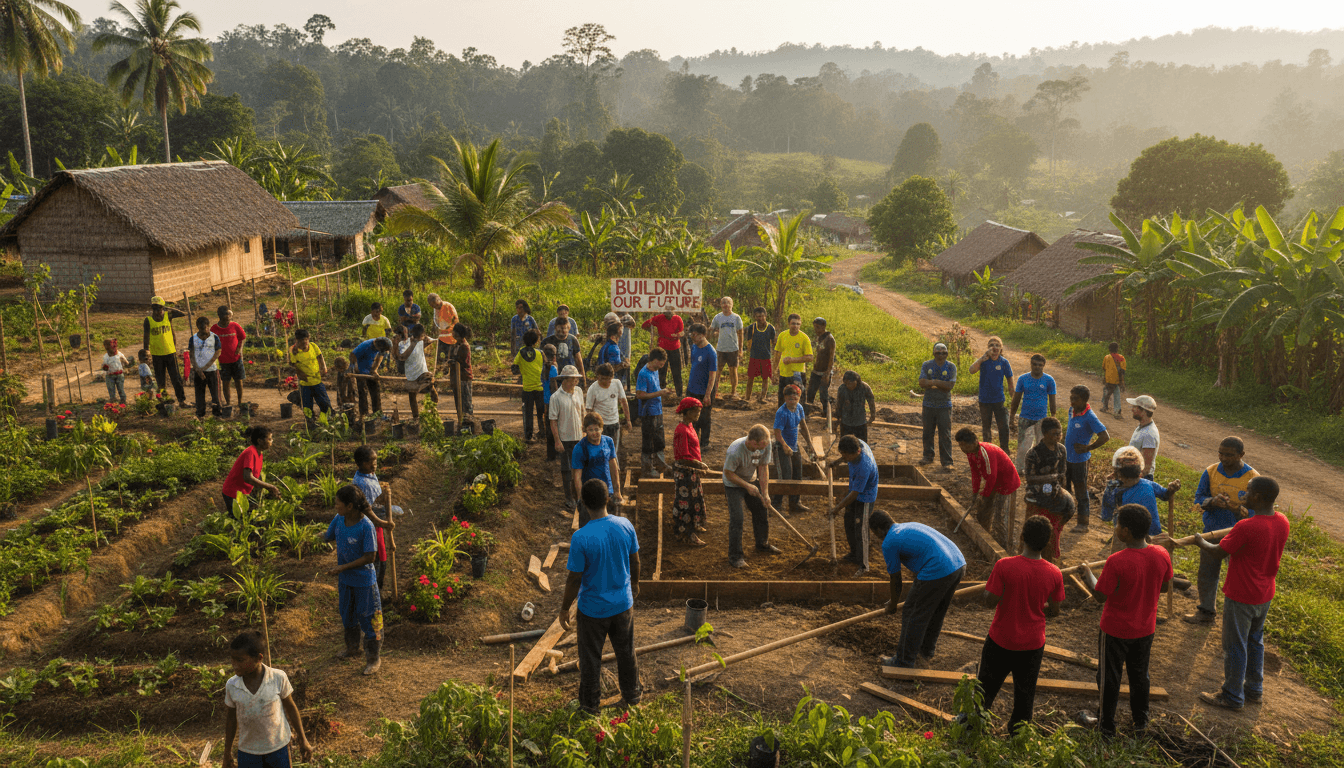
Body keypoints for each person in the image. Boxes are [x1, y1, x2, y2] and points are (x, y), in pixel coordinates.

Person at [1189, 476, 1287, 710]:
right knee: (1255, 642)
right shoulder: (1282, 521)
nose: (1244, 494)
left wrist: (1199, 540)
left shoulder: (1247, 526)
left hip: (1241, 593)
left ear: (1259, 497)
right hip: (1264, 593)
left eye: (1249, 491)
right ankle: (1254, 689)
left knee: (1235, 645)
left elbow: (1216, 552)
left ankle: (1232, 695)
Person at [1079, 504, 1172, 737]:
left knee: (1109, 677)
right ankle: (1141, 721)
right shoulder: (1161, 554)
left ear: (1127, 531)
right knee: (1140, 675)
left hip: (1115, 629)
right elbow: (1163, 587)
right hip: (1145, 628)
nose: (1116, 528)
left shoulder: (1117, 561)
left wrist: (1087, 573)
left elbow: (1100, 596)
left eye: (1118, 524)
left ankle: (1106, 724)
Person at [559, 479, 642, 716]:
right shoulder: (625, 525)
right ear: (608, 499)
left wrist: (565, 608)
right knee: (626, 652)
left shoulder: (581, 537)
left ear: (583, 504)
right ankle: (632, 696)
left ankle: (590, 706)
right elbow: (635, 561)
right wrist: (634, 585)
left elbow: (574, 579)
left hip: (592, 611)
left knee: (590, 659)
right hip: (622, 605)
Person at [975, 515, 1065, 735]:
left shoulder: (1004, 566)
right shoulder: (1054, 573)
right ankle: (1018, 736)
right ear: (1047, 543)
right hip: (1032, 645)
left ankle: (973, 727)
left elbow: (989, 602)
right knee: (1025, 695)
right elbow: (1054, 611)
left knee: (984, 690)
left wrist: (996, 590)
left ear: (1022, 537)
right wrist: (1033, 606)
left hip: (1001, 640)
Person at [872, 510, 967, 668]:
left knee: (912, 612)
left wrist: (893, 604)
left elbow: (896, 579)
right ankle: (925, 652)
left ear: (878, 530)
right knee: (935, 610)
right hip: (958, 564)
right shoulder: (908, 526)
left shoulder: (889, 541)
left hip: (939, 568)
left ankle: (903, 660)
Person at [1184, 437, 1259, 625]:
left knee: (1238, 577)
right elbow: (1198, 499)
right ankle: (1206, 611)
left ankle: (1239, 617)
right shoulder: (1211, 472)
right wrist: (1211, 502)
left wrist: (1234, 509)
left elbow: (1256, 513)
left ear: (1241, 455)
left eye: (1229, 455)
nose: (1224, 458)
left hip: (1239, 536)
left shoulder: (1253, 478)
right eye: (1221, 453)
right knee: (1208, 573)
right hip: (1212, 532)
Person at [222, 630, 312, 768]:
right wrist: (227, 753)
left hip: (278, 748)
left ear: (259, 658)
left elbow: (291, 707)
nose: (234, 664)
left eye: (240, 660)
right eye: (232, 658)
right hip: (248, 752)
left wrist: (303, 739)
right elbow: (231, 719)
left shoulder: (277, 678)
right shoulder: (232, 685)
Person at [323, 485, 383, 675]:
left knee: (369, 617)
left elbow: (370, 557)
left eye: (338, 503)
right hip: (346, 580)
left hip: (364, 580)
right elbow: (327, 536)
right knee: (347, 614)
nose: (335, 506)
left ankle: (374, 658)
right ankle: (352, 648)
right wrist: (306, 539)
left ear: (350, 506)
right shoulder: (339, 519)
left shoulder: (366, 526)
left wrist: (342, 567)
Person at [722, 425, 782, 568]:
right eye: (762, 445)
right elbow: (728, 473)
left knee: (762, 509)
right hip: (733, 484)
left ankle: (762, 544)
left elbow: (763, 467)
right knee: (737, 518)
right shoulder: (735, 451)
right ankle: (735, 556)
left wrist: (765, 492)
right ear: (753, 443)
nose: (765, 447)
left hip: (751, 479)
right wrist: (747, 486)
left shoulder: (765, 445)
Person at [1099, 446, 1180, 550]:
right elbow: (1107, 517)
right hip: (1132, 539)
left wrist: (1171, 489)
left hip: (1145, 538)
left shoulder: (1115, 489)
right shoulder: (1117, 489)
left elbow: (1165, 495)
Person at [955, 428, 1021, 549]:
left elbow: (992, 478)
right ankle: (985, 536)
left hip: (1007, 483)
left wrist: (985, 495)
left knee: (1000, 515)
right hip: (995, 483)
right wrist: (975, 493)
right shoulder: (970, 453)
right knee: (984, 509)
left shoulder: (986, 453)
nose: (962, 448)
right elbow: (975, 474)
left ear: (974, 442)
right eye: (960, 445)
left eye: (964, 445)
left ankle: (1004, 545)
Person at [1022, 417, 1074, 562]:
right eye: (1054, 433)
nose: (1058, 436)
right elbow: (1030, 478)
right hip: (1036, 494)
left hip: (1054, 493)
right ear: (1044, 434)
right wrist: (1050, 479)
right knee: (1033, 530)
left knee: (1055, 528)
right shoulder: (1033, 453)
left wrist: (1058, 488)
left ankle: (1050, 558)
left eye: (1060, 433)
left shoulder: (1061, 450)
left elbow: (1063, 473)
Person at [825, 435, 879, 570]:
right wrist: (836, 462)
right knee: (849, 522)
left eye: (845, 455)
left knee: (861, 529)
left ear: (855, 453)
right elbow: (845, 455)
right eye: (841, 454)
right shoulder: (857, 443)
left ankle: (863, 562)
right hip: (854, 490)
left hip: (865, 497)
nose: (843, 457)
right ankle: (854, 553)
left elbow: (855, 494)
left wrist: (837, 508)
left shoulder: (864, 466)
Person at [351, 446, 398, 592]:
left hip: (376, 525)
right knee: (376, 560)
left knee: (381, 557)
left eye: (376, 461)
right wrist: (383, 523)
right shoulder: (362, 483)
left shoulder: (368, 474)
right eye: (371, 462)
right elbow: (367, 510)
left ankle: (376, 592)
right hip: (370, 527)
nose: (374, 465)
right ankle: (373, 594)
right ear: (361, 463)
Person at [1064, 385, 1109, 532]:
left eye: (1075, 399)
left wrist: (1088, 447)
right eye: (1071, 398)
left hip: (1080, 461)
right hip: (1067, 458)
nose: (1072, 401)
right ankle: (1064, 516)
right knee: (1064, 487)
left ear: (1084, 400)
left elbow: (1104, 436)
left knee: (1081, 492)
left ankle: (1083, 524)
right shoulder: (1072, 410)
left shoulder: (1090, 416)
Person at [571, 413, 623, 525]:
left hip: (607, 492)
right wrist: (581, 498)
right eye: (591, 430)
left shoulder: (608, 442)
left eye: (597, 429)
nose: (595, 433)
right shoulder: (580, 448)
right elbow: (577, 476)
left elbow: (613, 466)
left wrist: (617, 490)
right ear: (585, 430)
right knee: (588, 527)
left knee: (609, 526)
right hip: (589, 494)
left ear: (602, 429)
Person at [672, 397, 709, 546]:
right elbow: (682, 457)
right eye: (695, 411)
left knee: (695, 499)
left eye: (699, 411)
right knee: (686, 504)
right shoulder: (681, 430)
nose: (698, 414)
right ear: (686, 412)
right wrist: (699, 464)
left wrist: (698, 466)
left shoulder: (690, 426)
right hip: (685, 472)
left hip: (692, 471)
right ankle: (687, 535)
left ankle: (695, 525)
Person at [771, 383, 813, 515]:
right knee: (785, 476)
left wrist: (810, 444)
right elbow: (777, 433)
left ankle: (795, 503)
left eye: (795, 397)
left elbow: (803, 427)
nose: (792, 400)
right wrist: (784, 446)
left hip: (794, 446)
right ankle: (775, 506)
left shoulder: (799, 408)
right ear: (785, 399)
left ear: (799, 398)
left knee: (797, 475)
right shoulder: (782, 413)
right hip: (780, 447)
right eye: (790, 398)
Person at [550, 365, 587, 513]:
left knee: (580, 468)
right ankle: (569, 498)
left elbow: (582, 412)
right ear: (564, 380)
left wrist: (585, 431)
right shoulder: (556, 397)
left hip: (579, 436)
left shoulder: (578, 392)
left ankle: (580, 496)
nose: (575, 383)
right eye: (572, 380)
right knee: (566, 469)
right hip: (565, 438)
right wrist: (557, 440)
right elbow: (553, 421)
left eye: (576, 380)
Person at [1010, 354, 1056, 472]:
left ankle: (1039, 469)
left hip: (1042, 419)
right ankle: (1020, 469)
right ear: (1031, 364)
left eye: (1040, 365)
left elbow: (1052, 401)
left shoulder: (1049, 380)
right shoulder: (1023, 379)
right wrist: (1011, 416)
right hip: (1025, 418)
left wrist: (1053, 418)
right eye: (1034, 364)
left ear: (1044, 366)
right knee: (1023, 446)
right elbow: (1016, 399)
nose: (1037, 367)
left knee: (1042, 446)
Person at [222, 426, 280, 514]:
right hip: (233, 494)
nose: (272, 441)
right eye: (269, 439)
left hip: (243, 493)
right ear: (260, 441)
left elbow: (257, 476)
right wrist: (270, 487)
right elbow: (247, 477)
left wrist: (267, 494)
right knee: (239, 521)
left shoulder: (259, 453)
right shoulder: (250, 452)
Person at [969, 336, 1013, 452]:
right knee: (986, 427)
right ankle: (987, 451)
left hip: (999, 400)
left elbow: (1010, 380)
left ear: (1001, 349)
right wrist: (982, 358)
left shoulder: (1004, 362)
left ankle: (1004, 450)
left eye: (997, 345)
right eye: (991, 345)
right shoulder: (983, 361)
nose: (994, 347)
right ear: (987, 348)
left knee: (1003, 427)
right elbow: (971, 370)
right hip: (984, 400)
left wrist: (1013, 397)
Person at [636, 349, 673, 480]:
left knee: (659, 439)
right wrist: (659, 393)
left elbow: (656, 389)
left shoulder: (655, 371)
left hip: (657, 410)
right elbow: (640, 395)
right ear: (655, 361)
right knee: (648, 442)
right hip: (648, 412)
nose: (662, 366)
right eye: (661, 364)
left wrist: (663, 392)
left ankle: (661, 464)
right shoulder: (643, 374)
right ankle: (647, 469)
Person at [143, 296, 188, 406]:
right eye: (154, 308)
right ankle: (165, 399)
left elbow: (183, 313)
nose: (157, 311)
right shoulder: (148, 320)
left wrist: (167, 308)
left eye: (159, 308)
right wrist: (146, 351)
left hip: (170, 352)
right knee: (160, 380)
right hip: (157, 354)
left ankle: (181, 400)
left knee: (176, 378)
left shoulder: (168, 315)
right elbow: (146, 337)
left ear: (163, 308)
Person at [919, 343, 957, 469]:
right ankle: (928, 456)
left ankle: (947, 462)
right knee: (927, 432)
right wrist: (941, 384)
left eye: (944, 352)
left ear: (947, 353)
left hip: (944, 405)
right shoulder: (927, 365)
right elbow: (921, 382)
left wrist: (933, 382)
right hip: (928, 404)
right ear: (934, 353)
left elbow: (949, 386)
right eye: (938, 352)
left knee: (945, 434)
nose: (941, 355)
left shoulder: (951, 366)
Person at [685, 323, 718, 446]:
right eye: (691, 334)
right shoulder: (694, 347)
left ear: (703, 335)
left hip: (704, 390)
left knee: (704, 418)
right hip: (692, 387)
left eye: (695, 335)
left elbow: (712, 375)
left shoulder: (711, 352)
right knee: (691, 416)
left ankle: (704, 443)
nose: (693, 337)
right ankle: (693, 441)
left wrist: (708, 394)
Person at [586, 362, 629, 455]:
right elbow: (588, 410)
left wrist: (628, 420)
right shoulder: (593, 389)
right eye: (602, 379)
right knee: (600, 452)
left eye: (608, 379)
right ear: (598, 376)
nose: (605, 382)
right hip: (600, 426)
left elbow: (624, 402)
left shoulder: (617, 383)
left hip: (614, 423)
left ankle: (613, 469)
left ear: (612, 377)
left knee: (613, 452)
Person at [397, 323, 438, 420]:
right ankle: (416, 417)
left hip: (422, 372)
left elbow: (434, 340)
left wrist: (428, 341)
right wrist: (414, 344)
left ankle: (433, 411)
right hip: (411, 373)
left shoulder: (422, 341)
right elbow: (403, 357)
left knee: (429, 388)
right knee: (412, 395)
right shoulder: (404, 343)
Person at [771, 313, 814, 406]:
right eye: (793, 323)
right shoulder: (782, 335)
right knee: (782, 398)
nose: (795, 326)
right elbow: (777, 354)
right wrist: (774, 370)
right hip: (783, 372)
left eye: (798, 324)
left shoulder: (804, 338)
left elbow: (810, 357)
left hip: (797, 373)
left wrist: (792, 360)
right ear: (789, 324)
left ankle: (800, 418)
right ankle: (782, 417)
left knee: (798, 398)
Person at [643, 304, 685, 397]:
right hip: (662, 348)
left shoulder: (678, 318)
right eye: (666, 310)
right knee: (662, 371)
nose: (668, 313)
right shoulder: (659, 318)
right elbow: (645, 324)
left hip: (675, 347)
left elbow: (682, 332)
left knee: (676, 371)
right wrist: (650, 329)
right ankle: (661, 393)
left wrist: (677, 335)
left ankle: (679, 394)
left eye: (670, 310)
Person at [212, 307, 248, 409]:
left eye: (229, 318)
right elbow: (211, 343)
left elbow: (242, 337)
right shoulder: (214, 329)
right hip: (223, 361)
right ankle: (228, 402)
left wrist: (239, 349)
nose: (228, 320)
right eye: (225, 318)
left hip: (236, 359)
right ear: (220, 317)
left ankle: (240, 401)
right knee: (226, 382)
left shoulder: (235, 326)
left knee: (238, 381)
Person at [514, 329, 546, 444]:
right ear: (536, 342)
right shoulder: (540, 353)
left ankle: (529, 436)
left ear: (524, 341)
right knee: (541, 412)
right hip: (539, 388)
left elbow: (514, 368)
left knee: (528, 413)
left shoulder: (521, 352)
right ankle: (543, 432)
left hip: (527, 388)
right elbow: (546, 367)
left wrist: (524, 370)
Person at [288, 329, 330, 416]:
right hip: (305, 383)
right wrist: (300, 374)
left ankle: (327, 421)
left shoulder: (313, 346)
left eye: (306, 340)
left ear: (308, 338)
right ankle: (311, 423)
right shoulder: (293, 350)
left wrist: (323, 368)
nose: (304, 342)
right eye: (301, 341)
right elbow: (294, 365)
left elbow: (320, 357)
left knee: (325, 404)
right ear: (297, 340)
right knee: (307, 408)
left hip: (317, 381)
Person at [189, 316, 223, 419]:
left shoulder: (214, 337)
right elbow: (191, 355)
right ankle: (200, 414)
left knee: (215, 394)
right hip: (198, 372)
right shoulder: (193, 339)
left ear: (208, 326)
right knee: (199, 394)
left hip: (212, 370)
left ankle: (217, 414)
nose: (204, 332)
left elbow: (218, 352)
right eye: (201, 329)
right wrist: (197, 369)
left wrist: (205, 367)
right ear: (198, 327)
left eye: (205, 329)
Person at [710, 296, 744, 398]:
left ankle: (733, 392)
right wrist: (714, 332)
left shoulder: (736, 318)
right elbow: (711, 330)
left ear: (732, 305)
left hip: (733, 348)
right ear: (721, 305)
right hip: (720, 348)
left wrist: (741, 349)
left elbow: (741, 333)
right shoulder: (717, 317)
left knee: (733, 371)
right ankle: (714, 392)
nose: (726, 305)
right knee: (717, 370)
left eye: (728, 302)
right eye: (723, 303)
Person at [349, 337, 392, 417]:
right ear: (377, 345)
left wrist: (374, 370)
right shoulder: (366, 345)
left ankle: (377, 413)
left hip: (369, 369)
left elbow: (380, 357)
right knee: (363, 392)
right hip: (360, 370)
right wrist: (355, 367)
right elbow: (352, 355)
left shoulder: (381, 347)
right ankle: (364, 415)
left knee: (375, 391)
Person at [744, 306, 777, 404]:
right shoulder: (752, 327)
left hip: (766, 357)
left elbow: (774, 342)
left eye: (762, 316)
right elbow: (749, 342)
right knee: (750, 378)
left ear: (766, 316)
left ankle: (763, 397)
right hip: (754, 357)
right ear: (755, 317)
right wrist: (749, 354)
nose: (761, 318)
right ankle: (747, 397)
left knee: (765, 378)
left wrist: (775, 356)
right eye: (758, 316)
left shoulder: (771, 328)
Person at [834, 370, 876, 442]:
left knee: (862, 443)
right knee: (845, 444)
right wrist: (838, 416)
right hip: (846, 421)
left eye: (850, 383)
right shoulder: (842, 389)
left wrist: (873, 415)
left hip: (860, 421)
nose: (848, 385)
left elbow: (871, 402)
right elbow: (839, 404)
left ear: (856, 381)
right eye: (846, 383)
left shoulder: (865, 387)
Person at [1126, 395, 1160, 480]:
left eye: (1135, 407)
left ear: (1144, 411)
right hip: (1134, 474)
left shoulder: (1149, 434)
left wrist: (1130, 482)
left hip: (1141, 478)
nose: (1132, 409)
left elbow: (1146, 467)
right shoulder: (1142, 427)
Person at [805, 317, 836, 412]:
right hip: (816, 370)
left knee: (823, 394)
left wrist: (827, 374)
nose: (816, 330)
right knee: (810, 392)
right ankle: (808, 411)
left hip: (824, 372)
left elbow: (831, 357)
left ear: (824, 327)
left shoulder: (830, 339)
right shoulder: (820, 337)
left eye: (818, 327)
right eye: (815, 327)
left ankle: (827, 412)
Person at [542, 316, 585, 380]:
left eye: (565, 328)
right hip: (553, 377)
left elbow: (579, 361)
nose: (564, 330)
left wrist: (583, 378)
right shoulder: (547, 341)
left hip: (570, 377)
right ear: (556, 328)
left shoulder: (573, 340)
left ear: (569, 328)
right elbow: (542, 361)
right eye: (561, 328)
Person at [447, 323, 474, 416]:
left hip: (463, 378)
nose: (452, 333)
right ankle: (461, 421)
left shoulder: (464, 346)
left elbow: (465, 363)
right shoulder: (455, 345)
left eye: (453, 331)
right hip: (456, 377)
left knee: (466, 402)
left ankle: (468, 422)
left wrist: (454, 362)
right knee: (458, 403)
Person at [541, 344, 560, 460]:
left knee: (548, 426)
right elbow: (554, 386)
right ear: (554, 356)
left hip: (543, 401)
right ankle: (556, 453)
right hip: (552, 401)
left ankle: (550, 455)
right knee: (555, 427)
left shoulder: (540, 367)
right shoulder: (552, 368)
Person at [101, 338, 130, 405]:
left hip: (119, 374)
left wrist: (125, 362)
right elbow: (103, 366)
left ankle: (123, 399)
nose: (106, 348)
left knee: (120, 388)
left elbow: (126, 362)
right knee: (111, 388)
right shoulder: (105, 356)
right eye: (105, 346)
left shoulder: (119, 354)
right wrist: (104, 367)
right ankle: (113, 399)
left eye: (108, 346)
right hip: (109, 375)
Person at [1103, 342, 1126, 418]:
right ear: (1117, 349)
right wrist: (1122, 382)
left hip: (1108, 379)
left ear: (1109, 349)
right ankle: (1117, 411)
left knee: (1106, 392)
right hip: (1116, 380)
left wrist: (1105, 378)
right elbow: (1122, 371)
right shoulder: (1121, 358)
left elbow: (1104, 368)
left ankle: (1104, 407)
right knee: (1116, 395)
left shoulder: (1106, 357)